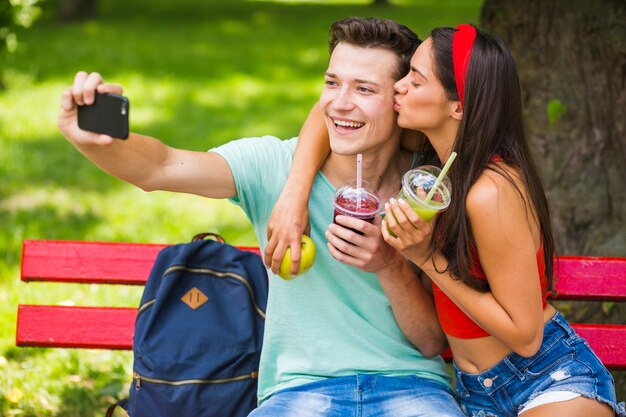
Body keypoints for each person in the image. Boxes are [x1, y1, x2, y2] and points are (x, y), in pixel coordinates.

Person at [57, 17, 465, 417]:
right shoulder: (274, 165)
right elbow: (161, 166)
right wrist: (97, 141)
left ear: (398, 100)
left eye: (364, 89)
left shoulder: (427, 191)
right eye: (331, 83)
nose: (339, 102)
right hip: (302, 391)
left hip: (410, 388)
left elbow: (430, 342)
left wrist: (389, 264)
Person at [266, 23, 626, 417]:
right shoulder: (438, 156)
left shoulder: (490, 191)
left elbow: (525, 336)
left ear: (458, 106)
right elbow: (326, 115)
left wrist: (424, 258)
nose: (399, 88)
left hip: (545, 381)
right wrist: (293, 196)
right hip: (477, 395)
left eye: (415, 82)